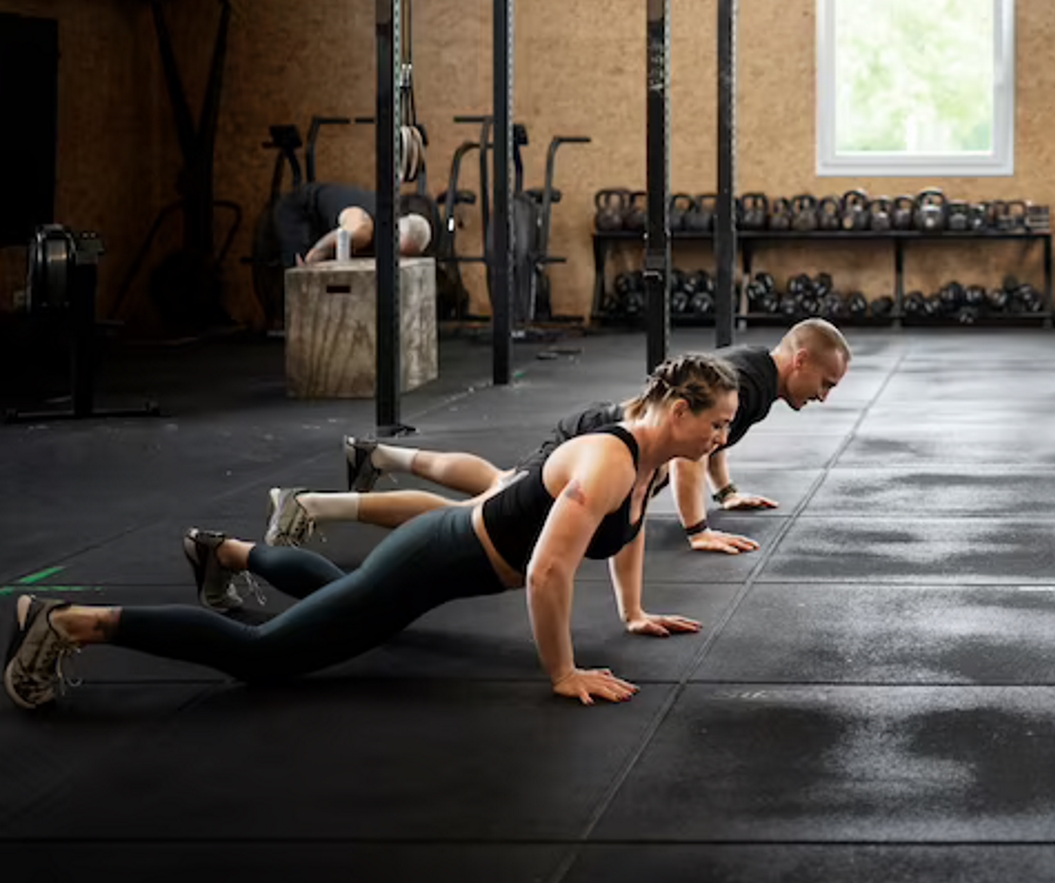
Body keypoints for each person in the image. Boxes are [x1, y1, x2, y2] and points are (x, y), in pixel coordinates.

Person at [3, 355, 741, 712]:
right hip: (438, 555)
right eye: (717, 422)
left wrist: (633, 612)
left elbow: (628, 532)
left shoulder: (644, 462)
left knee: (359, 603)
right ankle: (67, 622)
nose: (722, 435)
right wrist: (561, 673)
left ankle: (223, 552)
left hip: (443, 564)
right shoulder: (609, 459)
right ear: (678, 412)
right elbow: (550, 572)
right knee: (265, 658)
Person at [260, 320, 850, 560]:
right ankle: (311, 504)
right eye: (825, 381)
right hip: (600, 440)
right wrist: (698, 530)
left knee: (497, 483)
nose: (825, 395)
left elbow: (712, 441)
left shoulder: (758, 379)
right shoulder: (749, 382)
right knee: (475, 516)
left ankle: (378, 456)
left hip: (600, 433)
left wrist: (728, 494)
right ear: (801, 361)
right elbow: (691, 454)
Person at [274, 181, 432, 268]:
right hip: (301, 213)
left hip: (330, 222)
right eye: (400, 252)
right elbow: (328, 245)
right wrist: (311, 258)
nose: (400, 258)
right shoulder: (362, 228)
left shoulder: (391, 224)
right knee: (301, 277)